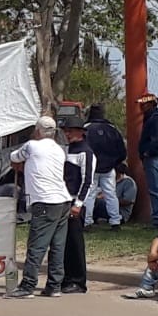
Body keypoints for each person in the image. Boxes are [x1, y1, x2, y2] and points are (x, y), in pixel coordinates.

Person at [5, 116, 72, 298]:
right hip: (63, 200)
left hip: (45, 201)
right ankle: (54, 285)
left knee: (37, 245)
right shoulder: (59, 150)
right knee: (57, 245)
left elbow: (13, 156)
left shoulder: (32, 145)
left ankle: (28, 285)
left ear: (37, 131)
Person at [60, 115, 97, 294]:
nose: (67, 134)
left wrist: (78, 203)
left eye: (70, 131)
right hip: (63, 200)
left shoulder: (86, 152)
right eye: (66, 131)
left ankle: (78, 280)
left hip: (75, 202)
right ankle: (67, 278)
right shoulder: (67, 150)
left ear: (80, 132)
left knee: (75, 243)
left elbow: (87, 181)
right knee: (64, 243)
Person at [82, 104, 127, 230]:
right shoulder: (112, 129)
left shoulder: (86, 129)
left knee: (89, 194)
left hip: (91, 167)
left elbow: (81, 149)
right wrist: (115, 162)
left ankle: (87, 221)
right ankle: (115, 221)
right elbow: (122, 150)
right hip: (109, 168)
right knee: (111, 194)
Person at [137, 92, 158, 227]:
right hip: (152, 156)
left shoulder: (155, 118)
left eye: (143, 104)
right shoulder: (152, 117)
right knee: (156, 188)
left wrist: (147, 152)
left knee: (155, 188)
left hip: (153, 157)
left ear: (150, 104)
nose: (141, 107)